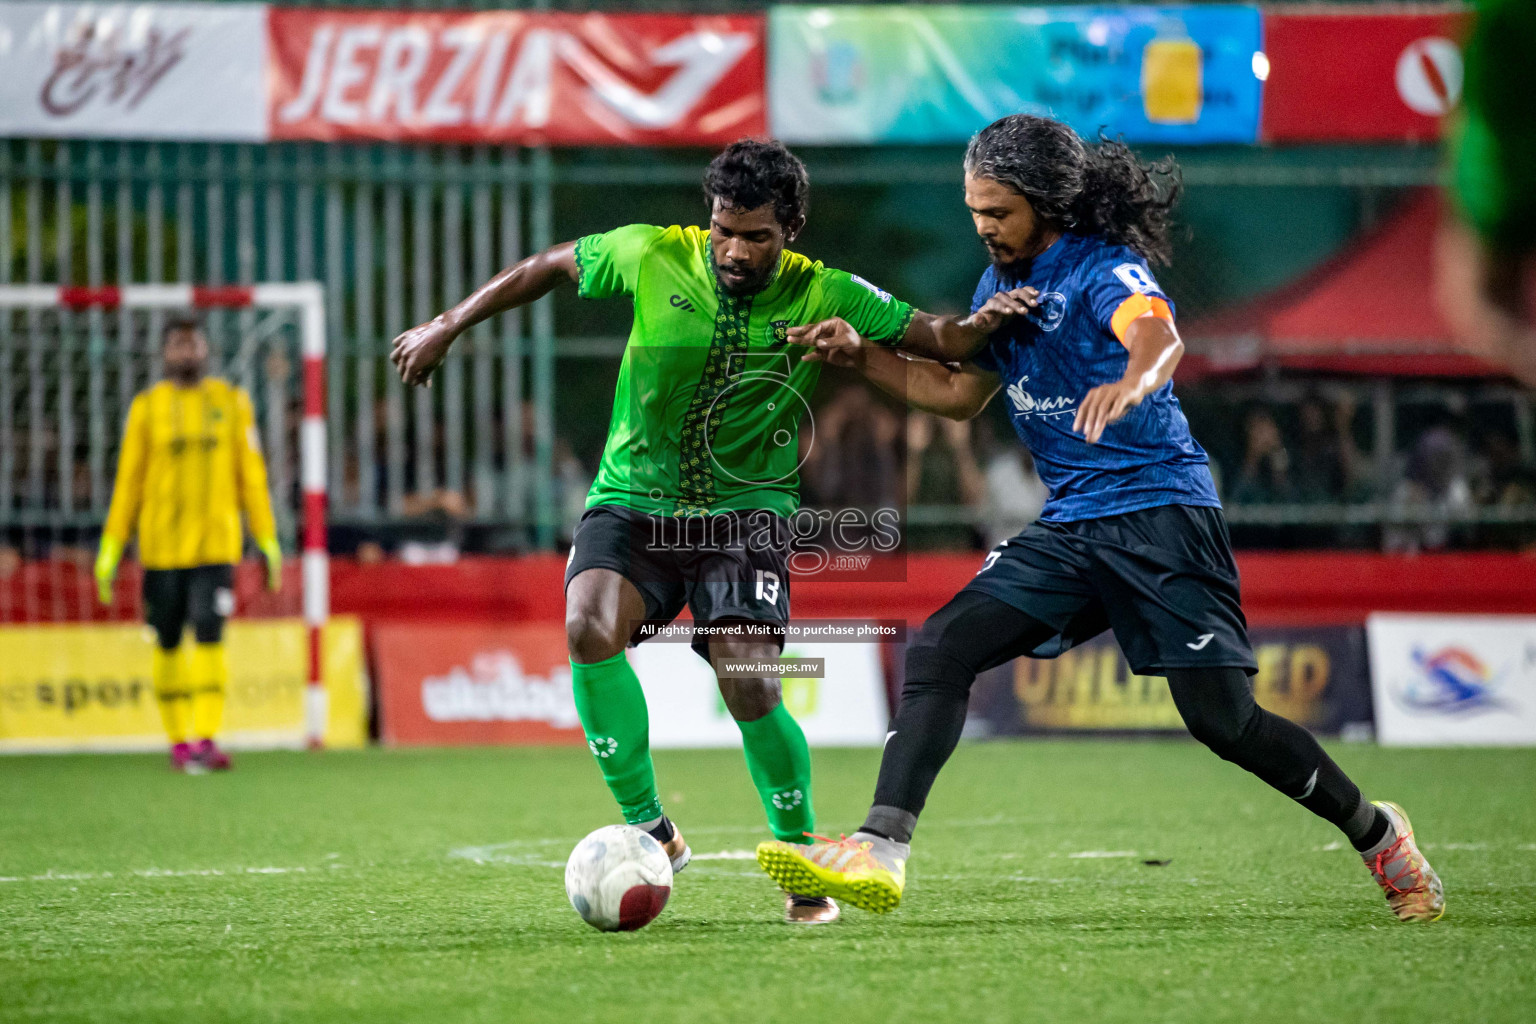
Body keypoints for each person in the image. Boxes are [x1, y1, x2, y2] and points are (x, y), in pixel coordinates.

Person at [755, 114, 1445, 924]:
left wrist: (1136, 380)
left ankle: (1377, 833)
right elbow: (954, 395)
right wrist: (862, 355)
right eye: (973, 210)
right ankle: (880, 847)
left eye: (997, 211)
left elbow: (1157, 334)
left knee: (1225, 724)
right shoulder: (995, 288)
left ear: (1046, 203)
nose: (982, 226)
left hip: (1161, 515)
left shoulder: (1101, 269)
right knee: (942, 645)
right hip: (1073, 525)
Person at [390, 138, 998, 925]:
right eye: (723, 230)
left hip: (746, 515)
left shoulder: (831, 294)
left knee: (748, 676)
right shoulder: (647, 254)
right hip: (634, 499)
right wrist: (449, 322)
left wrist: (1006, 312)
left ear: (793, 228)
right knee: (586, 626)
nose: (735, 251)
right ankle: (649, 825)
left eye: (757, 236)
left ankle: (800, 854)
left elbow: (943, 344)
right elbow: (549, 266)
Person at [95, 318, 283, 773]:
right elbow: (129, 482)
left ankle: (206, 736)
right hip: (160, 549)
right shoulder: (147, 408)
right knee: (168, 640)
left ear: (206, 348)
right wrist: (112, 544)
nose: (186, 351)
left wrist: (268, 537)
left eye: (192, 343)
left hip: (217, 546)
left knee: (210, 631)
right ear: (164, 353)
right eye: (177, 344)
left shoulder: (232, 403)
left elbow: (252, 478)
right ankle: (178, 739)